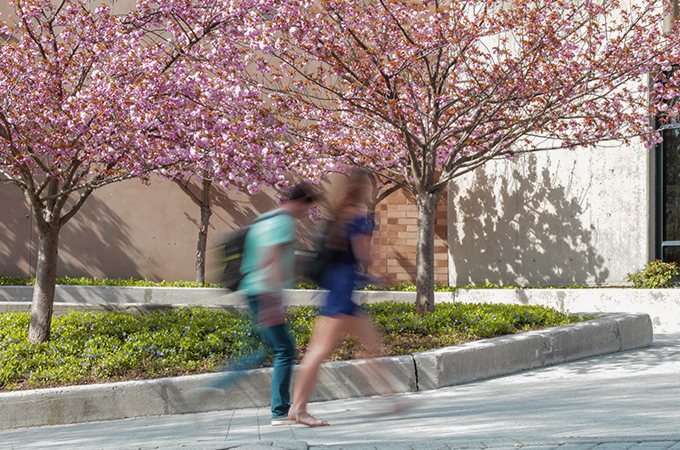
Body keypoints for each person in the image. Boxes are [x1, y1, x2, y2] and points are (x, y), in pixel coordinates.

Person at [287, 170, 388, 427]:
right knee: (318, 352)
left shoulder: (340, 217)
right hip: (341, 295)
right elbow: (364, 255)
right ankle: (297, 409)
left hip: (338, 292)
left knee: (370, 344)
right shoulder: (359, 219)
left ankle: (392, 401)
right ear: (363, 188)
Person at [238, 182, 318, 426]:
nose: (308, 213)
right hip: (264, 292)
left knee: (273, 347)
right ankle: (280, 411)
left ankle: (279, 408)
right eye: (309, 207)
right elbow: (269, 257)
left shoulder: (266, 218)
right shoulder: (284, 221)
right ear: (303, 200)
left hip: (252, 289)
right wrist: (272, 301)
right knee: (285, 350)